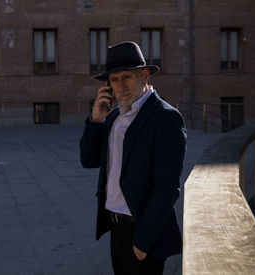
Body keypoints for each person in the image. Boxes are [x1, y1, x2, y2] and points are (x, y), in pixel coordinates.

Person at [80, 41, 187, 275]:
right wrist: (96, 121)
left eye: (126, 77)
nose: (121, 86)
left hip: (142, 232)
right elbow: (88, 160)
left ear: (145, 75)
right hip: (116, 229)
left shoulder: (166, 118)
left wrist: (142, 242)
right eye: (114, 80)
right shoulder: (114, 116)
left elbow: (167, 187)